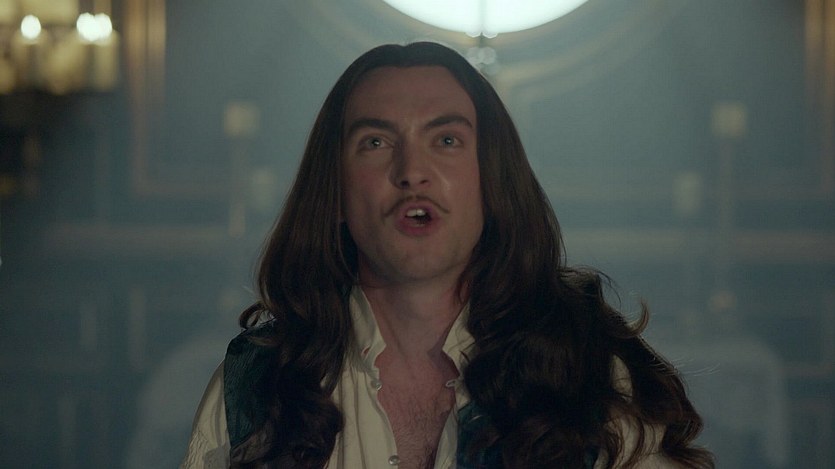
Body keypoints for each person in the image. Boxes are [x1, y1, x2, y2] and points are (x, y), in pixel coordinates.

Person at [181, 42, 714, 469]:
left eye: (447, 141)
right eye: (375, 142)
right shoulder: (259, 386)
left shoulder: (588, 373)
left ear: (491, 181)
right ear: (336, 193)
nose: (412, 171)